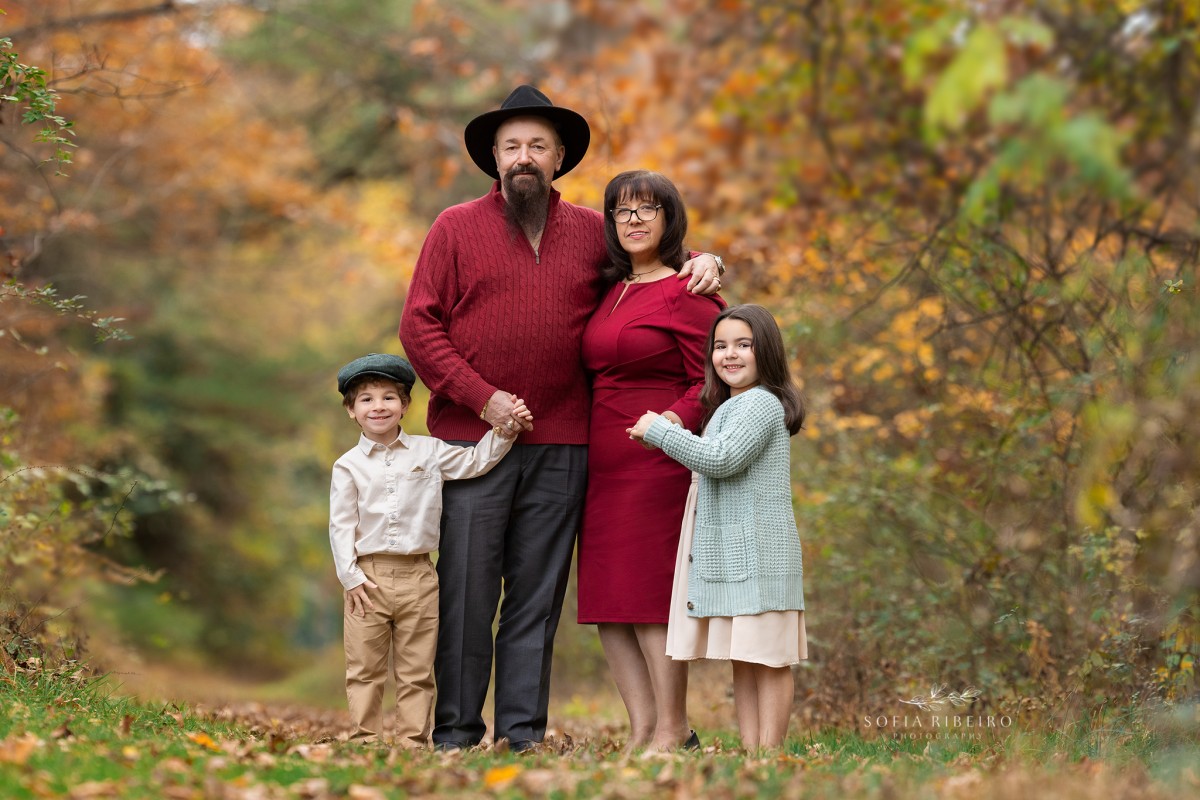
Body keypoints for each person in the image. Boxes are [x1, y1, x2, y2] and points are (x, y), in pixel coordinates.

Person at [398, 85, 724, 752]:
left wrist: (705, 262)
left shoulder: (589, 232)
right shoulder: (453, 227)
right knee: (466, 592)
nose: (525, 156)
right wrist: (481, 397)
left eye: (537, 146)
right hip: (471, 442)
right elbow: (419, 326)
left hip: (568, 444)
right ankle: (456, 733)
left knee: (536, 598)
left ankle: (522, 733)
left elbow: (650, 266)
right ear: (493, 157)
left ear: (559, 158)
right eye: (512, 145)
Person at [577, 170, 724, 751]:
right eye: (621, 210)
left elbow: (711, 378)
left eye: (647, 208)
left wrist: (672, 423)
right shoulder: (608, 289)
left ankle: (672, 726)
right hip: (602, 467)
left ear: (669, 217)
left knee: (649, 600)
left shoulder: (689, 291)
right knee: (608, 604)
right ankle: (642, 729)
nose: (633, 219)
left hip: (656, 464)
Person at [627, 304, 808, 751]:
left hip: (763, 557)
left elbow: (720, 459)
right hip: (735, 559)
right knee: (744, 661)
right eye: (720, 346)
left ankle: (771, 755)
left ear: (765, 351)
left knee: (768, 659)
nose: (730, 355)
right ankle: (752, 754)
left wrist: (660, 429)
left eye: (743, 345)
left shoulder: (762, 404)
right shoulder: (729, 406)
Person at [328, 352, 531, 747]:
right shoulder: (347, 465)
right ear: (351, 411)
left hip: (420, 576)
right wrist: (350, 577)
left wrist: (505, 430)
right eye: (366, 399)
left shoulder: (429, 451)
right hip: (366, 578)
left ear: (405, 404)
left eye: (389, 397)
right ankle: (365, 739)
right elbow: (341, 525)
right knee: (364, 667)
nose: (378, 406)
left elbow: (474, 462)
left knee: (416, 668)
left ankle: (412, 742)